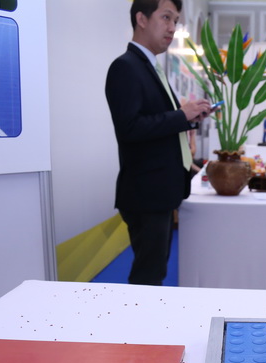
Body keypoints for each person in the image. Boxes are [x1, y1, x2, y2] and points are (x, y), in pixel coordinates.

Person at [105, 0, 211, 285]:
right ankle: (136, 315)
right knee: (148, 276)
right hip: (145, 192)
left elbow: (158, 124)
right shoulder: (125, 67)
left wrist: (190, 118)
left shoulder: (150, 67)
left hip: (158, 191)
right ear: (141, 19)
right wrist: (181, 115)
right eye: (166, 18)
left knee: (156, 272)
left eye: (175, 20)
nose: (172, 28)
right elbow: (129, 128)